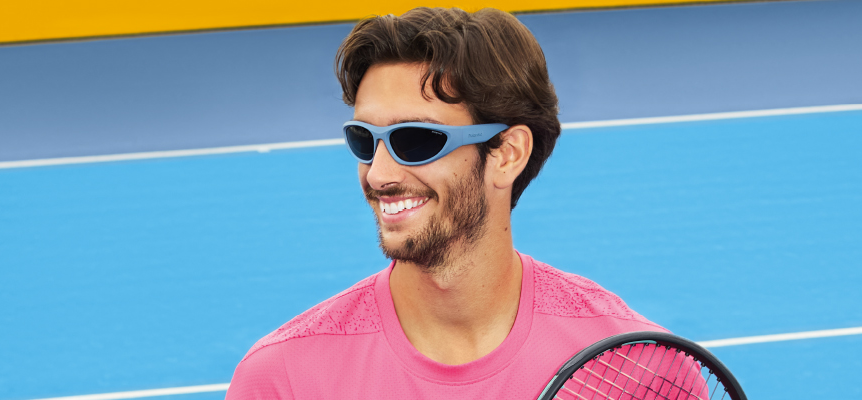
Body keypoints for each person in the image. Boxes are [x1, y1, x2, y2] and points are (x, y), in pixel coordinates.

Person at [226, 7, 667, 399]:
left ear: (507, 154)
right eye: (364, 139)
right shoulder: (282, 381)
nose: (378, 174)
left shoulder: (638, 369)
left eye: (416, 140)